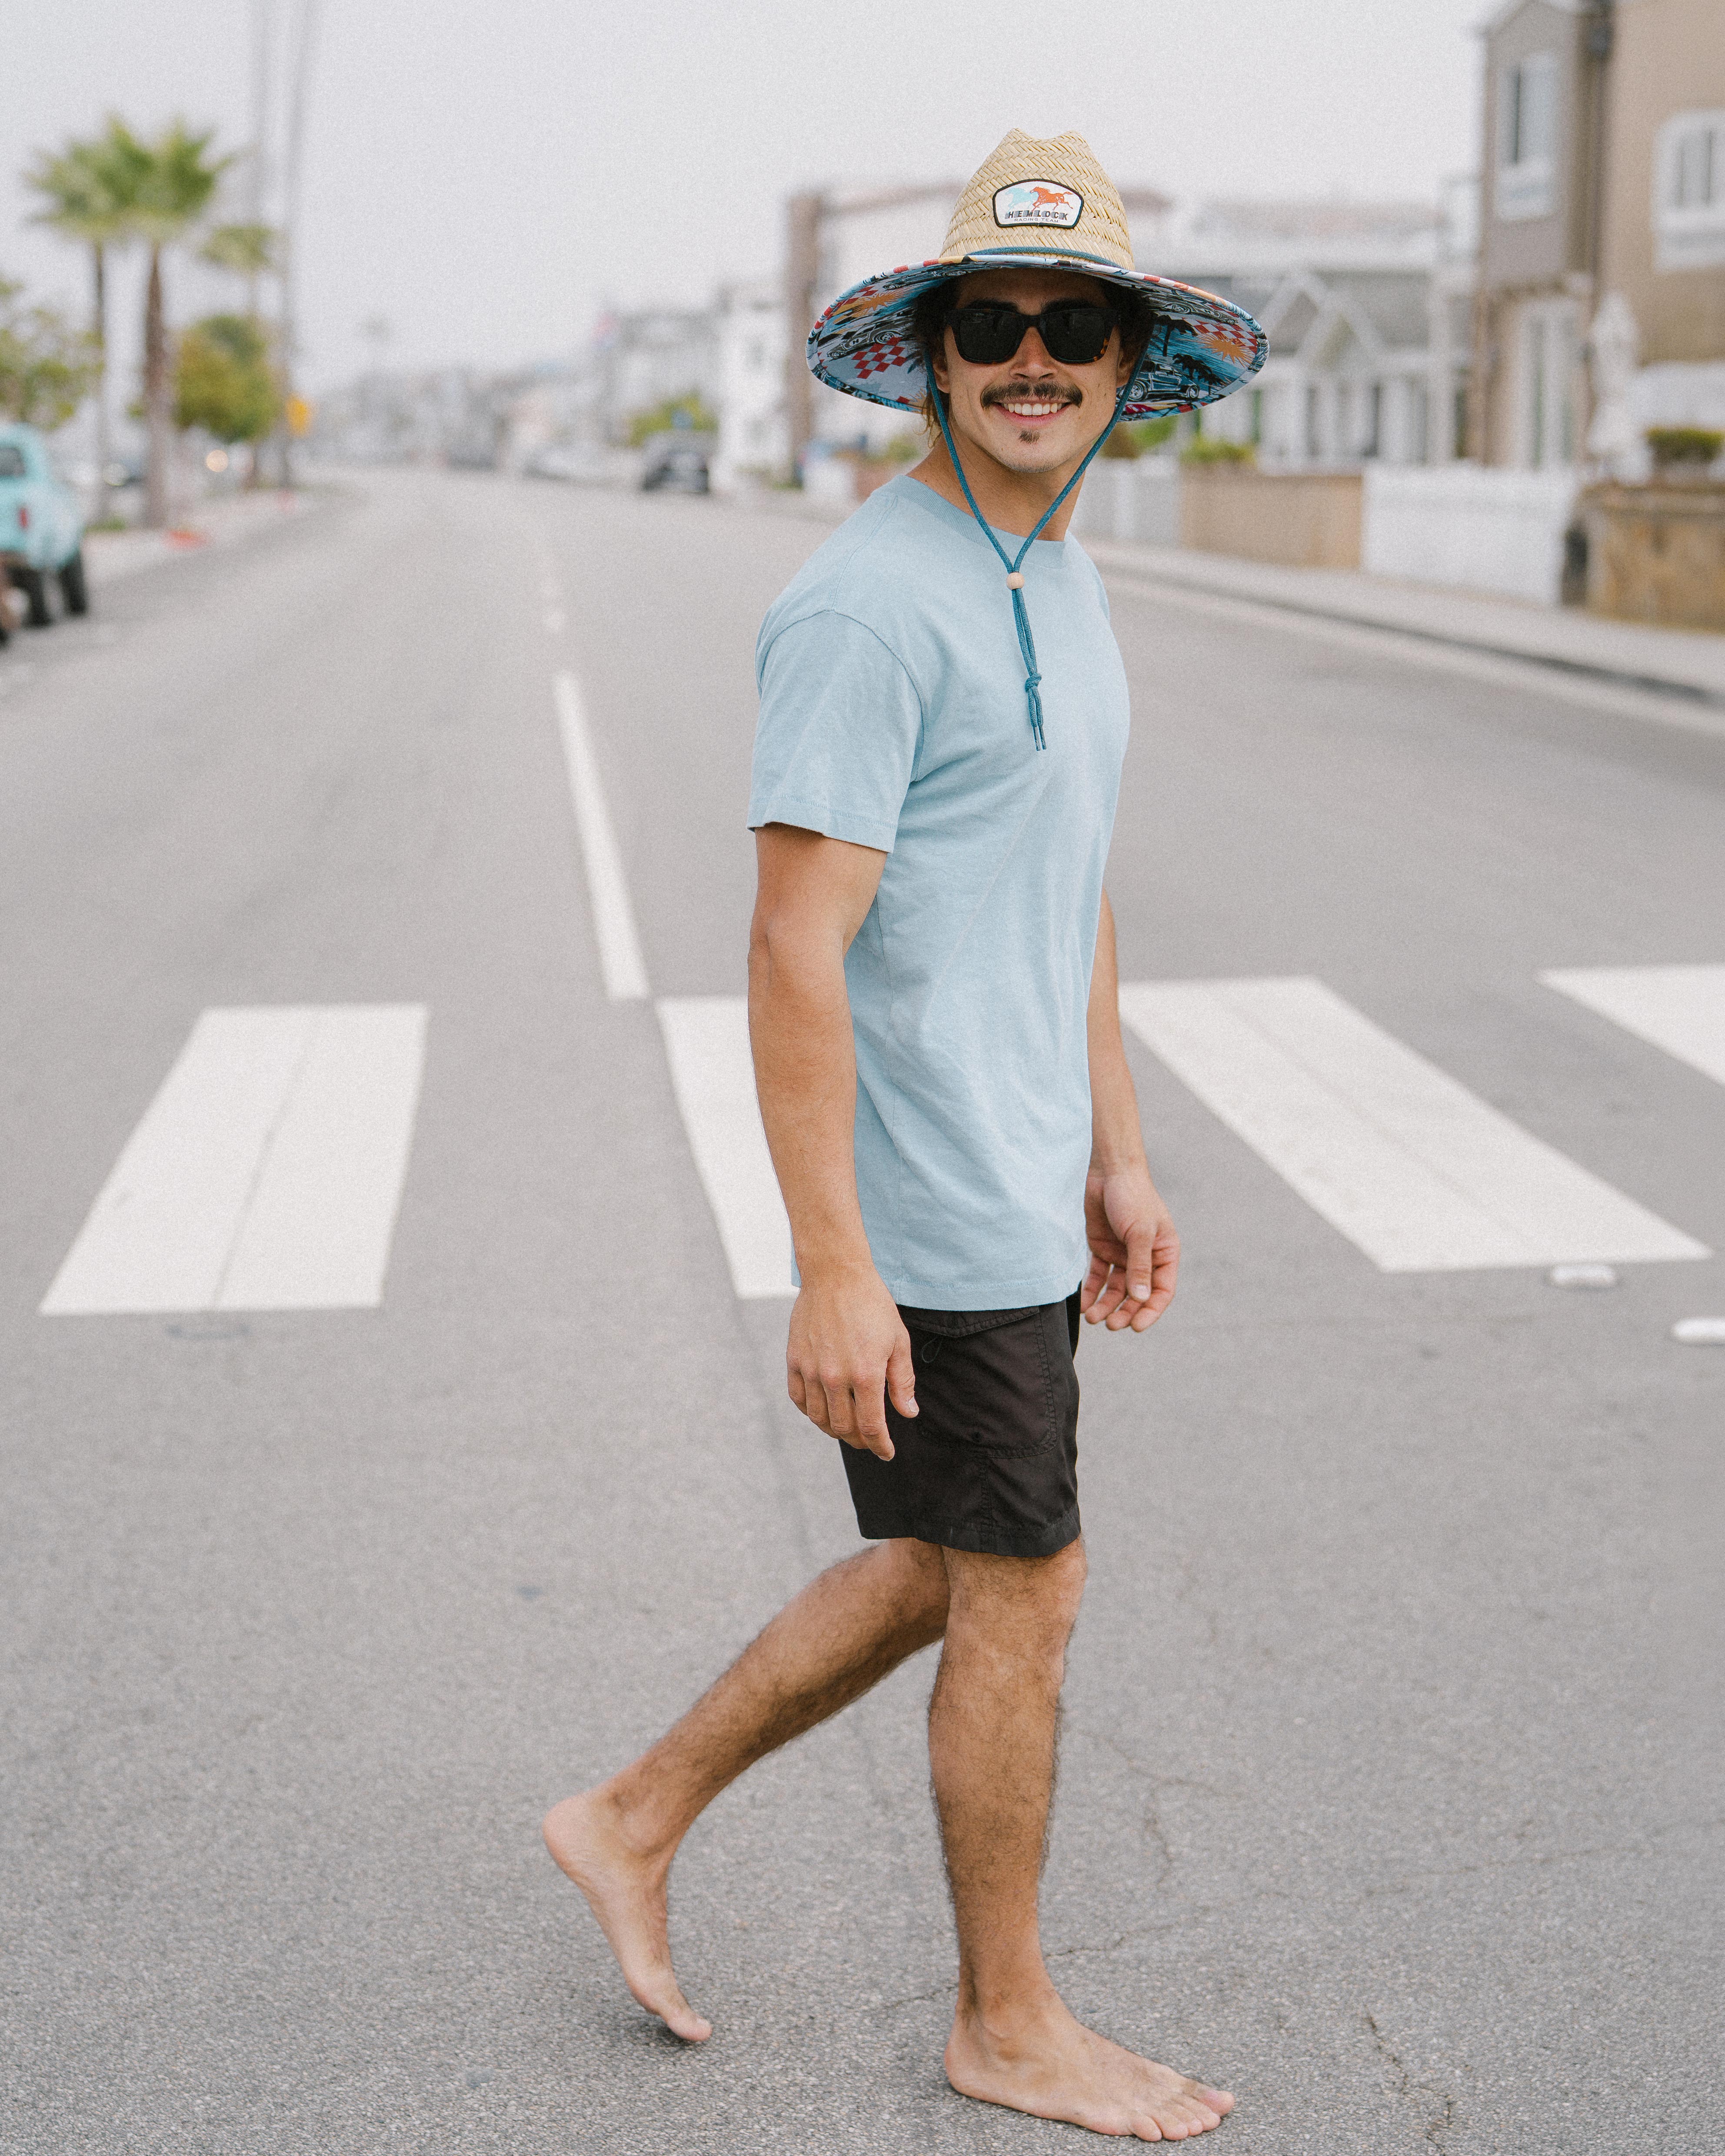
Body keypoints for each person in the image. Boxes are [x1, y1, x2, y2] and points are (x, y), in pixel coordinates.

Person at [545, 130, 1265, 2141]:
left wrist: (1116, 1147)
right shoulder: (868, 610)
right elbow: (791, 949)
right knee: (1023, 1581)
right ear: (934, 353)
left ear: (1127, 360)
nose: (1031, 358)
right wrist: (833, 1264)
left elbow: (1065, 874)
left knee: (956, 1554)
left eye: (1071, 325)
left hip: (1022, 1177)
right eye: (990, 322)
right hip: (928, 1206)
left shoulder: (1056, 570)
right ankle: (1003, 2020)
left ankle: (630, 1814)